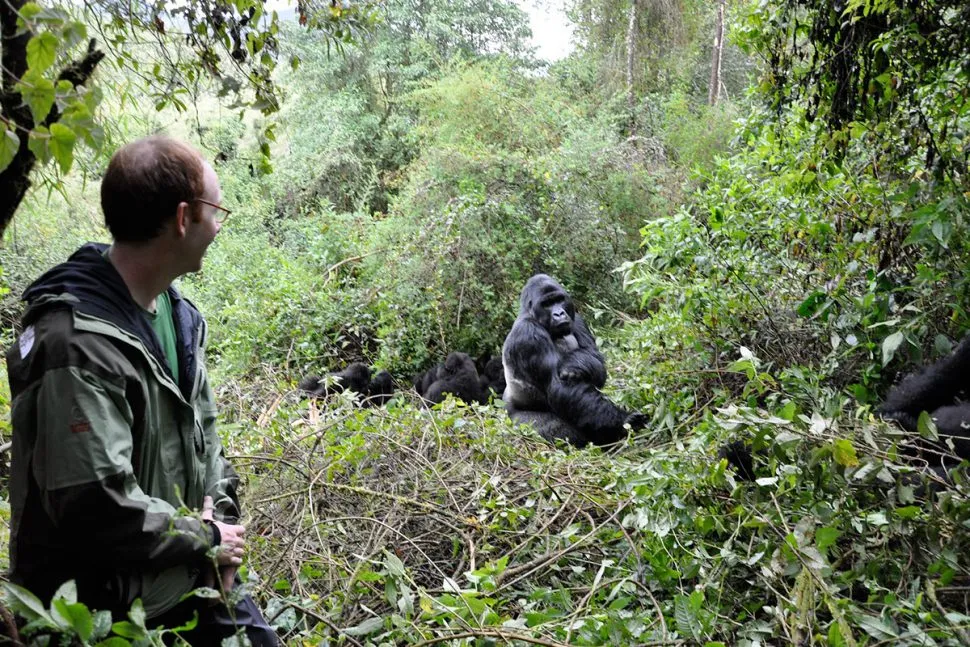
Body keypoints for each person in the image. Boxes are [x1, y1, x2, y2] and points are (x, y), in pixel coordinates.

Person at [5, 136, 278, 646]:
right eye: (216, 210)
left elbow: (207, 445)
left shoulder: (179, 317)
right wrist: (206, 541)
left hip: (184, 576)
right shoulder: (77, 344)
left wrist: (223, 540)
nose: (218, 226)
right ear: (183, 219)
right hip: (102, 611)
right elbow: (96, 506)